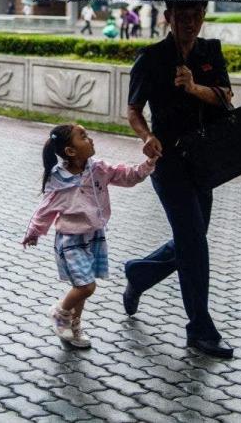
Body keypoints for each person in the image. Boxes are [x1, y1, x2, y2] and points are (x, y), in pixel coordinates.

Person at [124, 0, 235, 359]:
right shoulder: (151, 57)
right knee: (193, 242)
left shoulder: (210, 52)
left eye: (196, 17)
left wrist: (194, 87)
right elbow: (133, 111)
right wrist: (146, 138)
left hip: (204, 159)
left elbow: (225, 97)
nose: (190, 23)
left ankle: (140, 274)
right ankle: (200, 329)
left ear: (203, 16)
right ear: (168, 17)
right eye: (182, 17)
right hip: (168, 161)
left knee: (193, 237)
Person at [22, 124, 155, 349]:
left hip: (94, 237)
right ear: (71, 151)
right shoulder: (59, 181)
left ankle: (74, 326)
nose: (90, 139)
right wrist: (34, 232)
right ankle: (60, 312)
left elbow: (128, 176)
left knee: (81, 287)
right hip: (70, 240)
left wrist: (149, 163)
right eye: (83, 137)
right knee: (86, 286)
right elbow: (44, 210)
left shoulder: (99, 169)